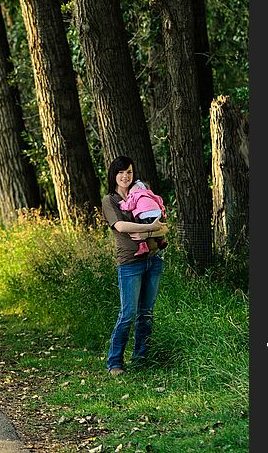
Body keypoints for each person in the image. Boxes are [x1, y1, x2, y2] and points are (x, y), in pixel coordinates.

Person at [102, 156, 168, 376]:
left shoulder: (141, 192)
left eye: (129, 172)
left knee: (146, 314)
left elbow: (164, 228)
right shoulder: (109, 200)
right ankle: (115, 363)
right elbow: (120, 226)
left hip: (153, 260)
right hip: (130, 263)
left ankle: (141, 359)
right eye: (121, 172)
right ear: (114, 175)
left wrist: (148, 231)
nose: (125, 176)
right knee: (127, 314)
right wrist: (151, 229)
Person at [119, 180, 167, 256]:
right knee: (157, 227)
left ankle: (143, 247)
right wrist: (163, 214)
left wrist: (122, 204)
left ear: (137, 187)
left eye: (131, 188)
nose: (129, 190)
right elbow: (160, 201)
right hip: (157, 213)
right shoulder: (150, 194)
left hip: (145, 214)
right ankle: (161, 241)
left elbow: (129, 206)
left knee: (141, 228)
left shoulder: (135, 194)